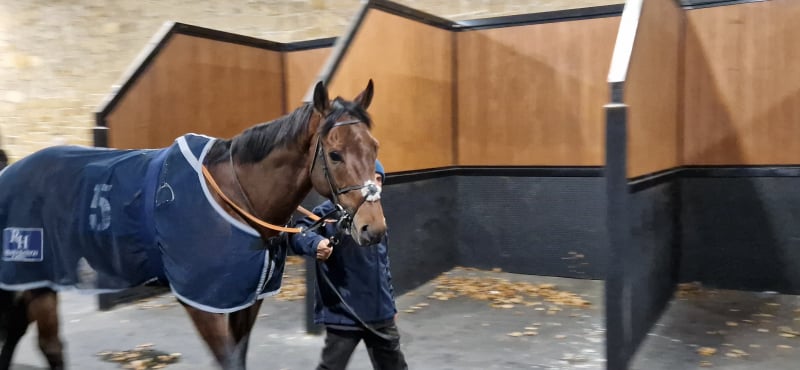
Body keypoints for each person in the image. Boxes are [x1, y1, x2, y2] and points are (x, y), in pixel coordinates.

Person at [290, 159, 408, 370]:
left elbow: (383, 266)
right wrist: (315, 243)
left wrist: (390, 304)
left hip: (379, 313)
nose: (375, 184)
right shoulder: (331, 210)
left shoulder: (377, 219)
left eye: (379, 180)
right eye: (370, 179)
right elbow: (300, 232)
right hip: (343, 313)